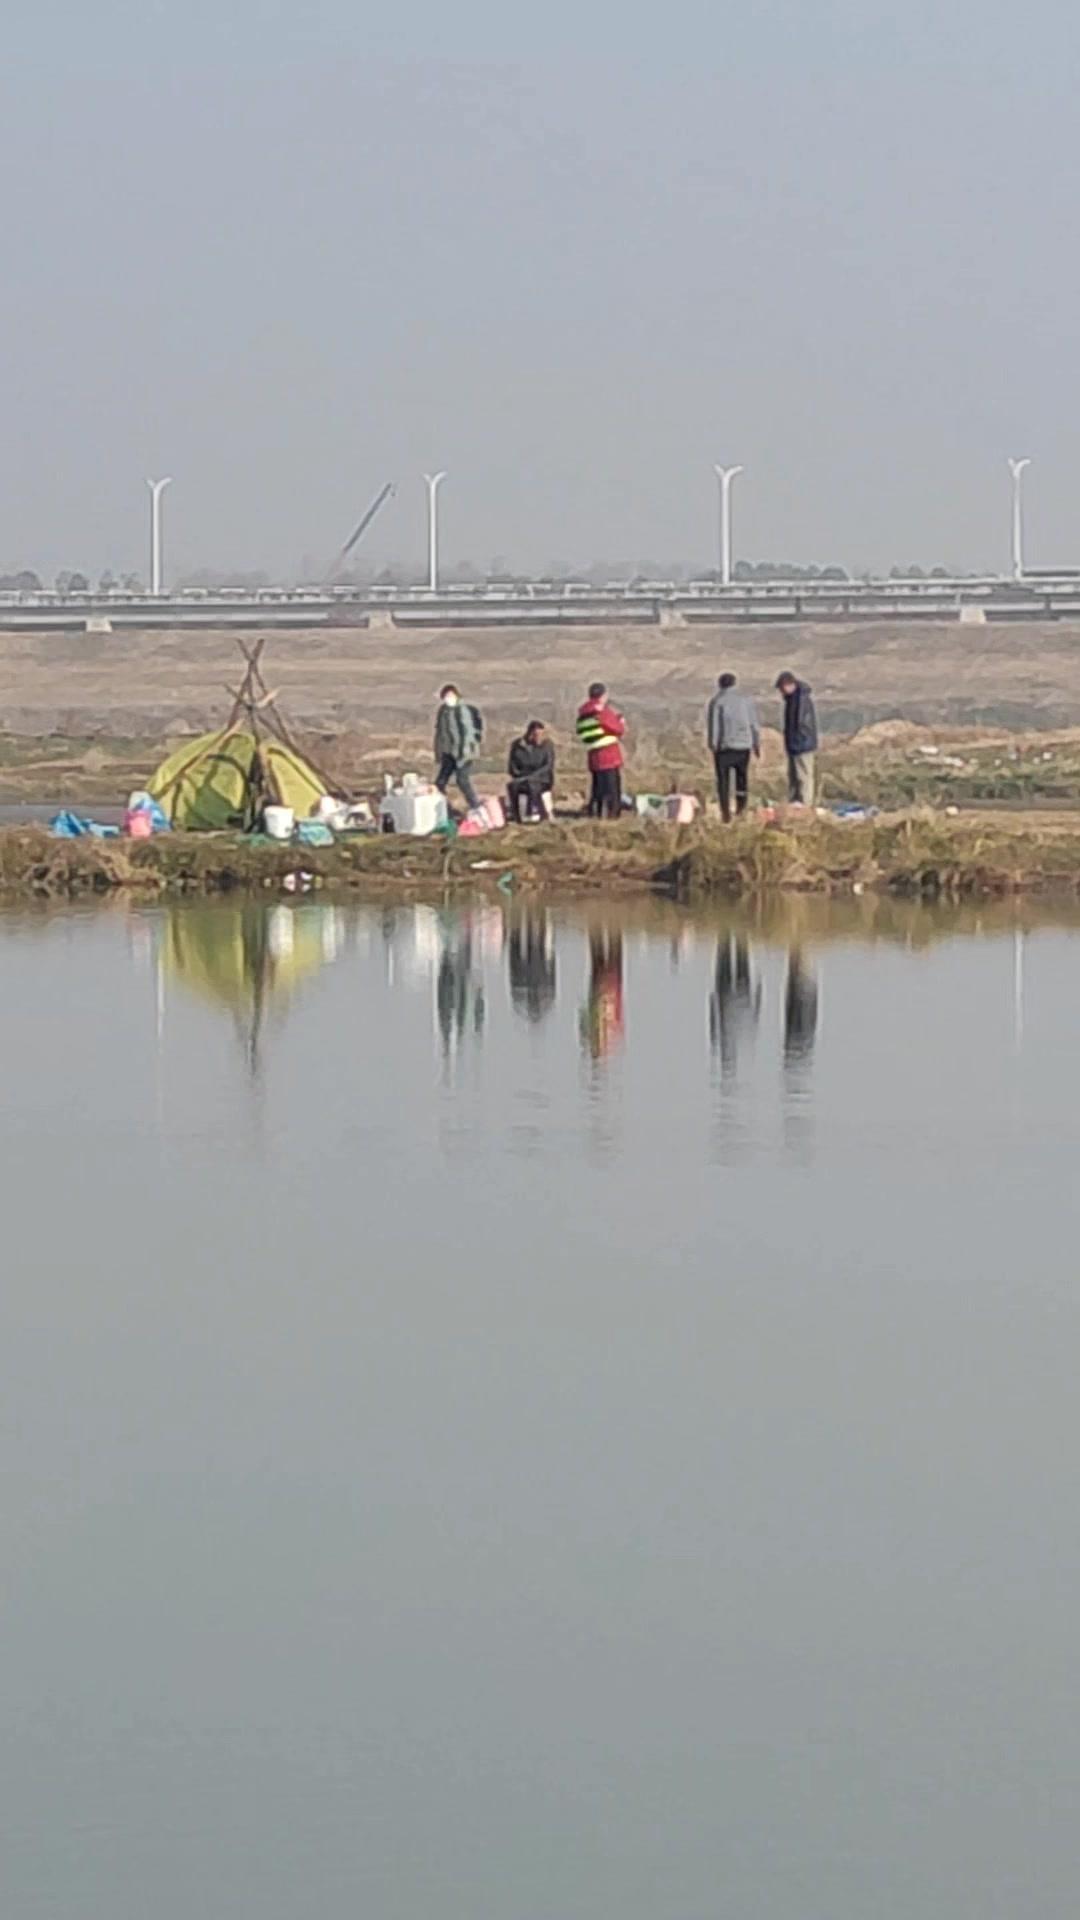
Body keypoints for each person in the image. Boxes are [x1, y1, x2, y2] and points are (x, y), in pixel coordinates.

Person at [706, 671, 761, 822]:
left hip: (725, 747)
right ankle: (741, 810)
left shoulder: (717, 701)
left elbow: (715, 726)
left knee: (723, 781)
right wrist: (756, 744)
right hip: (744, 746)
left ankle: (725, 813)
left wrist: (713, 745)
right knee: (742, 779)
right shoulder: (746, 700)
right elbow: (754, 724)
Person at [575, 681, 626, 818]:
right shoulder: (601, 711)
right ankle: (612, 815)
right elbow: (617, 729)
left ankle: (595, 813)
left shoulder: (583, 713)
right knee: (612, 789)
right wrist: (620, 722)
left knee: (597, 788)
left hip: (594, 756)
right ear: (603, 695)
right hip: (609, 756)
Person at [433, 684, 482, 811]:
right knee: (440, 783)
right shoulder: (443, 711)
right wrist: (439, 753)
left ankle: (476, 807)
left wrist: (463, 753)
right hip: (448, 752)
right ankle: (444, 809)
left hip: (463, 753)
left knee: (462, 780)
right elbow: (440, 733)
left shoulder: (461, 710)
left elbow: (467, 732)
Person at [775, 671, 819, 806]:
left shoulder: (800, 699)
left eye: (782, 688)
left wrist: (798, 738)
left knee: (803, 775)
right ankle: (795, 802)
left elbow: (800, 723)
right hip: (795, 743)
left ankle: (805, 803)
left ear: (788, 685)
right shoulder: (792, 699)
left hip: (802, 743)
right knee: (794, 775)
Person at [507, 720, 555, 822]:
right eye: (536, 734)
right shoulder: (517, 746)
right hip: (522, 777)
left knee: (532, 784)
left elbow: (548, 765)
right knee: (512, 786)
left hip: (542, 778)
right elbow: (512, 766)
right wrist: (519, 774)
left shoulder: (547, 746)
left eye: (540, 734)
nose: (538, 737)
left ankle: (535, 812)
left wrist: (533, 776)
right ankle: (516, 814)